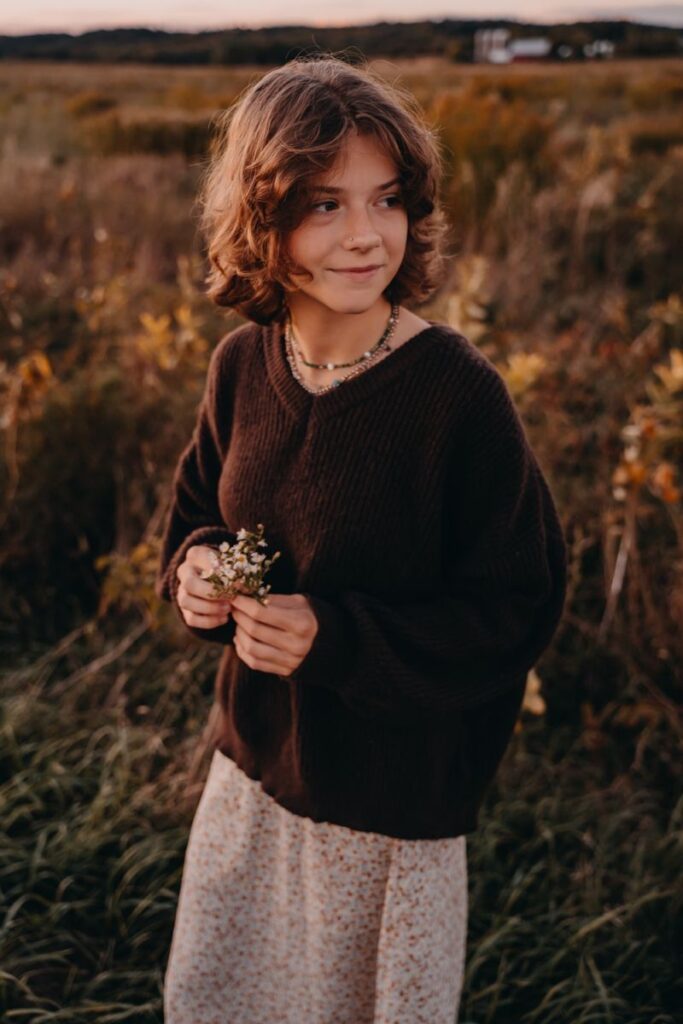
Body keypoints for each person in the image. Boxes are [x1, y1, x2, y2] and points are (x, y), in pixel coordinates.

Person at [155, 53, 568, 1024]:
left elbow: (515, 609)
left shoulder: (456, 396)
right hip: (253, 780)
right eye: (323, 205)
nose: (364, 236)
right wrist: (199, 574)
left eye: (384, 200)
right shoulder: (242, 364)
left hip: (385, 814)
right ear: (264, 221)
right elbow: (189, 521)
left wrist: (332, 637)